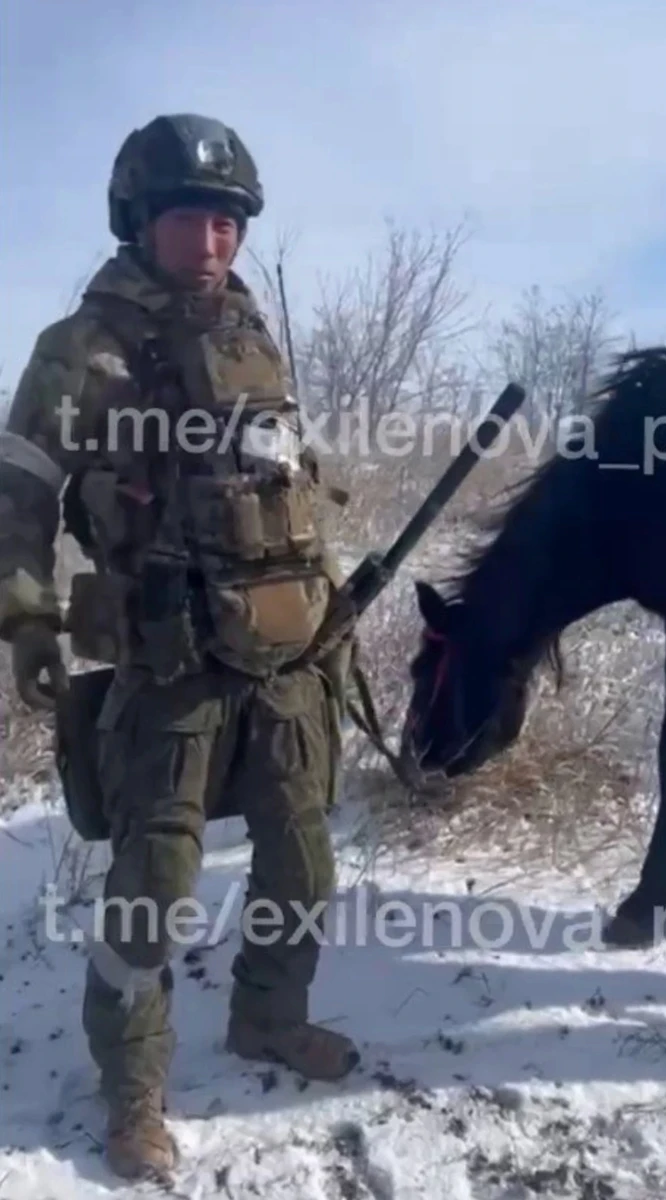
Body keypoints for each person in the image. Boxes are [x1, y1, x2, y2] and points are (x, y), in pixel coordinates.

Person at [0, 113, 359, 1183]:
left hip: (283, 655)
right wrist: (26, 620)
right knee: (152, 886)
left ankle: (268, 1016)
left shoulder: (254, 338)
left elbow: (290, 487)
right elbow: (18, 498)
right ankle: (134, 1093)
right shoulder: (83, 350)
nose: (209, 241)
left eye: (224, 220)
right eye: (187, 219)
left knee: (302, 856)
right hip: (165, 663)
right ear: (138, 220)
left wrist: (326, 602)